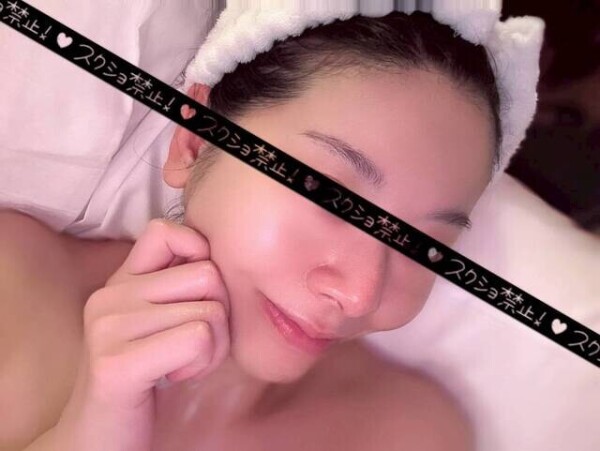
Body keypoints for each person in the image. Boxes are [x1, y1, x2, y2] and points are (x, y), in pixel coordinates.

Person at [1, 10, 503, 451]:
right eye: (329, 195)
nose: (359, 295)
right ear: (194, 142)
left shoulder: (407, 433)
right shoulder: (15, 290)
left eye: (422, 246)